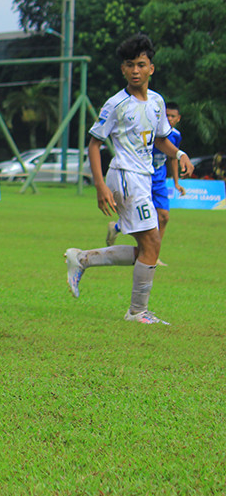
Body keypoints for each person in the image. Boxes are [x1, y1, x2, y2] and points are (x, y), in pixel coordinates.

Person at [65, 33, 194, 324]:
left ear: (151, 68)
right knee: (152, 244)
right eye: (129, 65)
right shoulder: (115, 104)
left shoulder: (158, 102)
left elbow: (161, 140)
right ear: (122, 69)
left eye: (140, 64)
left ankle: (83, 259)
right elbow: (94, 144)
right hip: (124, 177)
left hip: (143, 179)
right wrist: (99, 185)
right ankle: (136, 312)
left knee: (149, 247)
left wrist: (179, 153)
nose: (135, 70)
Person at [105, 101, 186, 260]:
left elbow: (172, 158)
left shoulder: (175, 136)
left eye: (172, 116)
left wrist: (176, 182)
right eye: (166, 115)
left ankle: (153, 254)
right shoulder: (150, 132)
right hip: (142, 177)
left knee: (163, 217)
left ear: (178, 118)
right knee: (141, 217)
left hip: (159, 180)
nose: (169, 118)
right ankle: (118, 229)